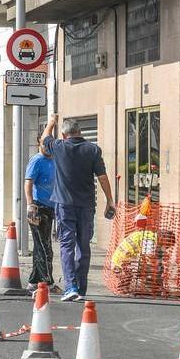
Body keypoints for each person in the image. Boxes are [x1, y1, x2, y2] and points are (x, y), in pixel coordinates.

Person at [40, 114, 116, 302]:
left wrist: (51, 122)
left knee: (67, 244)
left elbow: (44, 140)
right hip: (86, 205)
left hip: (65, 205)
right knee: (84, 245)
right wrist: (109, 200)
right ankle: (81, 288)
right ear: (80, 132)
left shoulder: (59, 147)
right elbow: (103, 177)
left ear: (65, 135)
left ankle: (70, 287)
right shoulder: (93, 149)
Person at [24, 142, 58, 289]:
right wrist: (30, 204)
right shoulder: (37, 160)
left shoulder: (54, 160)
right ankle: (47, 282)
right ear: (39, 145)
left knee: (41, 245)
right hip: (38, 208)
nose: (48, 149)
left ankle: (34, 281)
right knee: (44, 247)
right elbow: (28, 183)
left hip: (50, 207)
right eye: (45, 145)